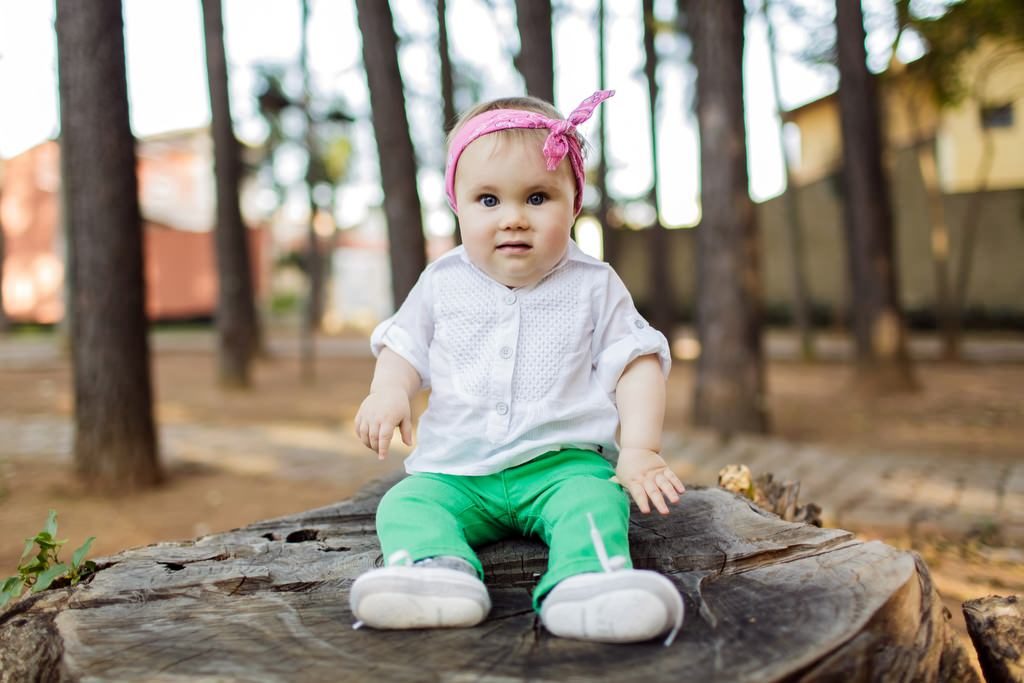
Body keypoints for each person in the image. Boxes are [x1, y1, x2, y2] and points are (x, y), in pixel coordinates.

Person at [349, 90, 686, 645]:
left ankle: (589, 582)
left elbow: (637, 362)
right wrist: (388, 392)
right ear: (456, 202)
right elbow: (404, 347)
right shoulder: (442, 281)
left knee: (598, 499)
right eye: (487, 200)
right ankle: (434, 571)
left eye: (536, 197)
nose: (512, 219)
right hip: (456, 472)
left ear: (574, 202)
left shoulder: (593, 283)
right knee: (406, 503)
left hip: (560, 467)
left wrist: (640, 448)